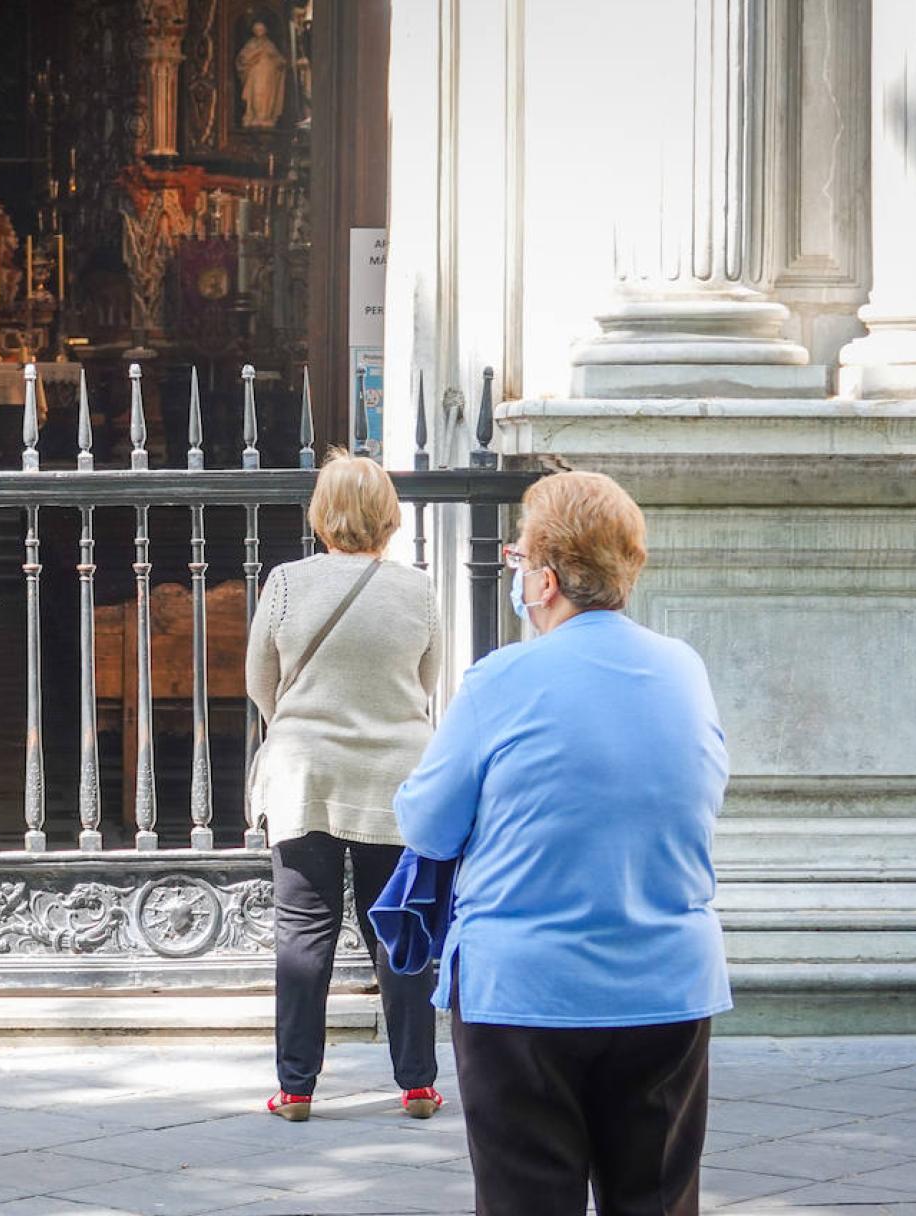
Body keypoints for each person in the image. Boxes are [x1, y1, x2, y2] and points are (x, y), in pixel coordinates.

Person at [395, 471, 731, 1216]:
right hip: (666, 985)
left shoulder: (501, 681)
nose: (514, 573)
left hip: (525, 995)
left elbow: (426, 824)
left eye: (517, 560)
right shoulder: (685, 669)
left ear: (545, 579)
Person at [247, 450, 443, 1122]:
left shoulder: (286, 584)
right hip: (396, 777)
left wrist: (299, 725)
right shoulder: (416, 589)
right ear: (388, 518)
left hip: (306, 776)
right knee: (399, 930)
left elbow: (258, 679)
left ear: (321, 515)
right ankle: (417, 1081)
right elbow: (428, 681)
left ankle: (296, 1088)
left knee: (304, 930)